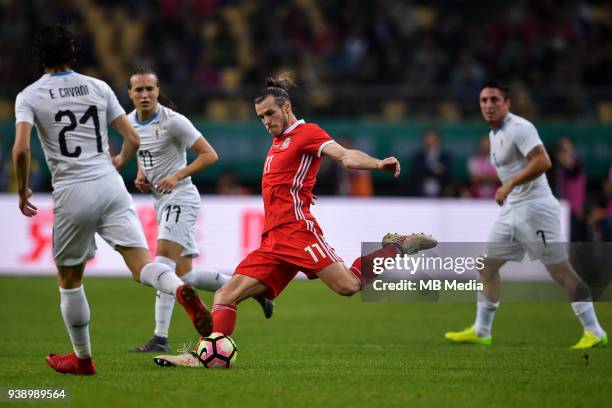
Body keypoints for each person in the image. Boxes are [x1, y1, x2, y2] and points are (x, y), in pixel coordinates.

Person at [153, 72, 437, 367]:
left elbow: (345, 156)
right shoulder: (278, 142)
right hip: (273, 240)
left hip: (298, 232)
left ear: (287, 108)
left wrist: (378, 163)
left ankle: (396, 247)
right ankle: (201, 355)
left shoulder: (308, 133)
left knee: (348, 286)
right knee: (226, 294)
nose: (266, 122)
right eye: (261, 117)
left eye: (270, 114)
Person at [12, 26, 212, 375]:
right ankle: (180, 289)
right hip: (110, 184)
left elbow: (21, 148)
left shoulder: (29, 96)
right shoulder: (98, 86)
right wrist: (117, 163)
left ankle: (82, 359)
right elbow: (132, 138)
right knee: (142, 266)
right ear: (73, 53)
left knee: (70, 279)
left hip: (72, 189)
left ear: (39, 56)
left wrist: (22, 189)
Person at [445, 80, 607, 349]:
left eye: (494, 100)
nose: (488, 105)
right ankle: (482, 330)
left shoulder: (520, 128)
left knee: (560, 271)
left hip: (537, 207)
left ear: (507, 103)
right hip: (513, 209)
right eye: (484, 100)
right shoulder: (494, 134)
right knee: (487, 266)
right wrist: (510, 189)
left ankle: (595, 331)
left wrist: (509, 185)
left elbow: (543, 161)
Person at [126, 68, 273, 353]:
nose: (145, 95)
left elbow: (210, 154)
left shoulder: (174, 122)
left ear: (158, 91)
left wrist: (177, 176)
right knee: (186, 277)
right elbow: (145, 153)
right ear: (130, 94)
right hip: (161, 200)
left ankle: (160, 338)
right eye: (139, 90)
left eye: (150, 89)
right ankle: (256, 291)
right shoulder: (130, 123)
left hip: (180, 197)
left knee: (163, 265)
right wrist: (142, 174)